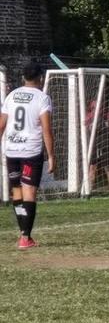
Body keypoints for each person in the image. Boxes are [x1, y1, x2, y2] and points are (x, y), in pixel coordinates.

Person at [0, 60, 55, 249]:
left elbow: (1, 125)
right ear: (40, 78)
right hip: (30, 150)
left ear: (23, 77)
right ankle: (25, 237)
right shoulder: (42, 98)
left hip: (12, 149)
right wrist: (51, 156)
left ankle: (24, 234)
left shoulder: (12, 95)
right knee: (29, 190)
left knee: (16, 190)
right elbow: (46, 129)